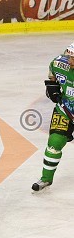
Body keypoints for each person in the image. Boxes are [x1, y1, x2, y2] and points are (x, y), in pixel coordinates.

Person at [32, 42, 74, 191]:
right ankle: (46, 179)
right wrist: (52, 87)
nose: (70, 62)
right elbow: (52, 76)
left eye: (73, 59)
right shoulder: (58, 63)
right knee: (55, 142)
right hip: (65, 110)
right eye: (69, 57)